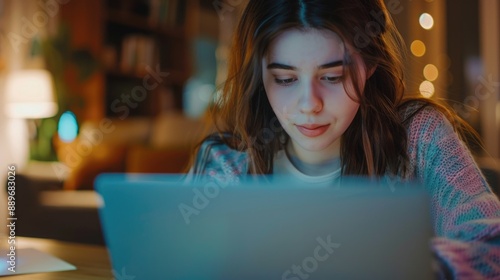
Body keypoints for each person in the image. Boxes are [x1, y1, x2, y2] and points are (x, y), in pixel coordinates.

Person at [189, 0, 500, 278]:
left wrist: (414, 267)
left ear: (370, 64)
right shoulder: (225, 162)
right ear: (259, 76)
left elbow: (491, 242)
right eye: (285, 79)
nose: (309, 104)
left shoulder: (418, 137)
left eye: (332, 77)